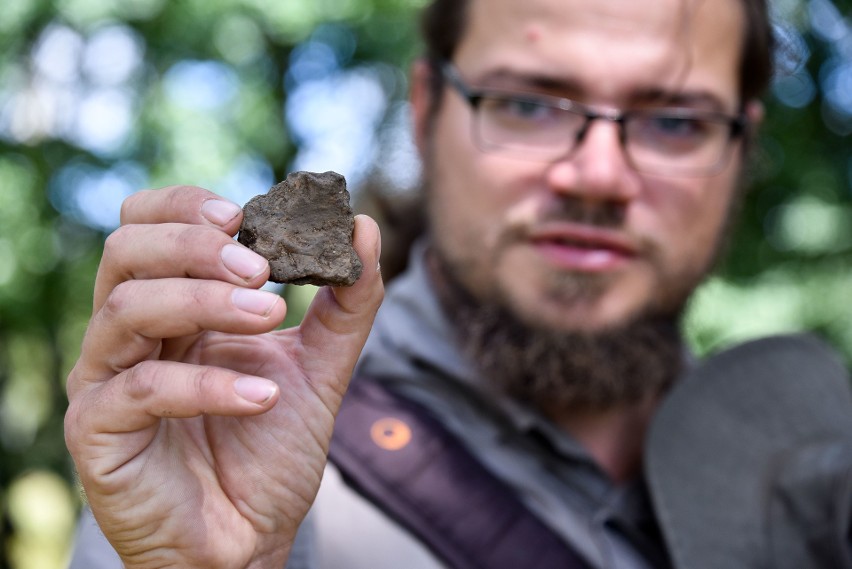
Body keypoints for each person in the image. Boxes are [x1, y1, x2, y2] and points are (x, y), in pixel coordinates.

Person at [64, 0, 852, 568]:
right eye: (529, 103)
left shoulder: (812, 481)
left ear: (745, 145)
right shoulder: (224, 450)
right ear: (425, 110)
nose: (599, 174)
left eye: (675, 119)